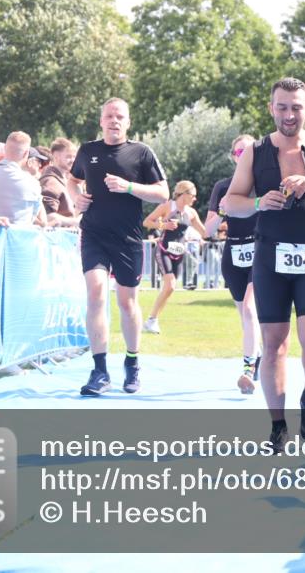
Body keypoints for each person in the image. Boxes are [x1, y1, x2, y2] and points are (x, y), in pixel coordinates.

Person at [222, 77, 305, 447]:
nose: (289, 114)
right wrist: (257, 203)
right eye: (282, 107)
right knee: (274, 344)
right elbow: (230, 203)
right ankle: (278, 426)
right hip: (270, 257)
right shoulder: (255, 152)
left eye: (296, 107)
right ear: (271, 109)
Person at [68, 98, 169, 396]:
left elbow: (163, 193)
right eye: (109, 116)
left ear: (128, 122)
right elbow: (73, 180)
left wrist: (129, 187)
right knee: (96, 292)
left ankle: (132, 362)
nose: (114, 121)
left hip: (128, 239)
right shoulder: (88, 151)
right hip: (94, 234)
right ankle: (99, 371)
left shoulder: (141, 152)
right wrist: (76, 197)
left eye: (120, 116)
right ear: (101, 121)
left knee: (127, 303)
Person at [204, 134, 262, 394]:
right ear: (233, 157)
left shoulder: (265, 184)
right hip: (233, 255)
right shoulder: (223, 186)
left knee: (250, 310)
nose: (244, 155)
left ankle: (248, 369)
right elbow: (208, 230)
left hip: (260, 252)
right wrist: (222, 211)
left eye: (249, 150)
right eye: (239, 152)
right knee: (245, 316)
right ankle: (256, 356)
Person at [142, 180, 208, 333]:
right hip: (163, 250)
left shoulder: (191, 213)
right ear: (184, 194)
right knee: (170, 285)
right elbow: (147, 222)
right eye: (193, 195)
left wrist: (221, 217)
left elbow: (205, 232)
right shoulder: (167, 206)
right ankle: (152, 320)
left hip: (179, 253)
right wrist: (163, 225)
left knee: (170, 289)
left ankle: (152, 320)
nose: (195, 199)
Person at [0, 132, 47, 227]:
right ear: (26, 154)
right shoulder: (32, 183)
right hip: (19, 235)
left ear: (5, 149)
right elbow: (40, 221)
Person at [40, 138, 79, 227]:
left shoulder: (64, 180)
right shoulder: (50, 181)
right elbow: (47, 215)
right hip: (58, 234)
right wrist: (75, 222)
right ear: (56, 156)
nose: (73, 160)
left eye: (74, 157)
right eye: (69, 156)